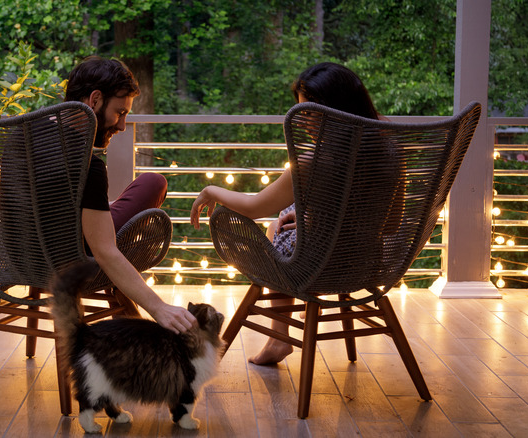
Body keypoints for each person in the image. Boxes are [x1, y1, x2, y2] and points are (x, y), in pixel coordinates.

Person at [190, 62, 381, 363]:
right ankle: (277, 339)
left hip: (319, 265)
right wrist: (312, 220)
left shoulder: (313, 161)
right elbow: (392, 223)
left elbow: (255, 207)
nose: (303, 119)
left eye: (310, 110)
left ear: (336, 108)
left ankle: (278, 338)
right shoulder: (390, 151)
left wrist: (212, 190)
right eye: (300, 110)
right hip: (368, 262)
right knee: (288, 217)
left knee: (273, 230)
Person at [65, 56, 196, 334]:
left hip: (26, 253)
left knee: (141, 187)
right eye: (120, 112)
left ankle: (106, 210)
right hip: (78, 256)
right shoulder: (88, 165)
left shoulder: (22, 139)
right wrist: (159, 307)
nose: (122, 125)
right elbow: (105, 251)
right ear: (95, 100)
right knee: (154, 182)